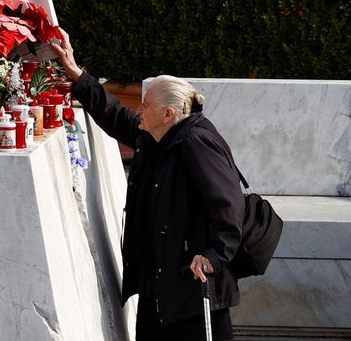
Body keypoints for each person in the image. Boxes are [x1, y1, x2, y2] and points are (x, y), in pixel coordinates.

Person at [51, 30, 245, 341]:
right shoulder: (157, 137)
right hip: (159, 292)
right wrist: (78, 76)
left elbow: (229, 203)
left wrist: (214, 255)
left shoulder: (196, 141)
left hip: (193, 294)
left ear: (168, 113)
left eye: (146, 105)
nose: (140, 111)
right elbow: (118, 117)